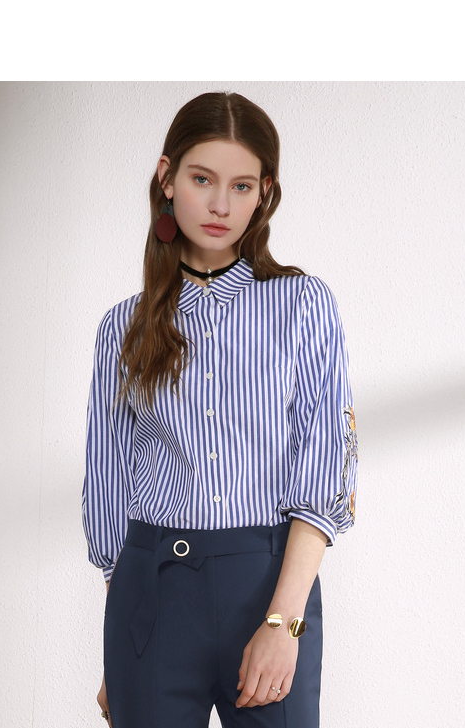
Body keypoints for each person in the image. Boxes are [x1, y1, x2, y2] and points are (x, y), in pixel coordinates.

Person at [82, 92, 357, 728]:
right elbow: (109, 485)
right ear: (167, 177)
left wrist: (284, 623)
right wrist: (123, 647)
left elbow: (326, 470)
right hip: (151, 596)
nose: (220, 206)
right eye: (202, 179)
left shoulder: (302, 305)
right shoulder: (122, 327)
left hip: (268, 589)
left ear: (265, 193)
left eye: (241, 186)